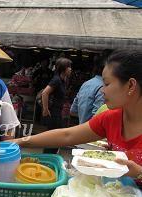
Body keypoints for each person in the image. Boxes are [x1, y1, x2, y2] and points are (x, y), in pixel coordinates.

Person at [12, 50, 142, 185]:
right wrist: (20, 141)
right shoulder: (110, 118)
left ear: (131, 85)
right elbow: (67, 135)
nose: (102, 90)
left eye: (107, 84)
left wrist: (139, 172)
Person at [41, 57, 72, 154]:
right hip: (53, 113)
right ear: (63, 69)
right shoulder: (56, 80)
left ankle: (51, 158)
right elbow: (44, 93)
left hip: (58, 112)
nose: (70, 69)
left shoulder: (63, 80)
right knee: (52, 139)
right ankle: (47, 159)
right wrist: (45, 109)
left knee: (56, 139)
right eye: (69, 67)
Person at [70, 55, 105, 124]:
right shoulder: (103, 87)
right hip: (93, 132)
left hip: (82, 129)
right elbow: (97, 119)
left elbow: (73, 111)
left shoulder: (86, 84)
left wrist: (83, 118)